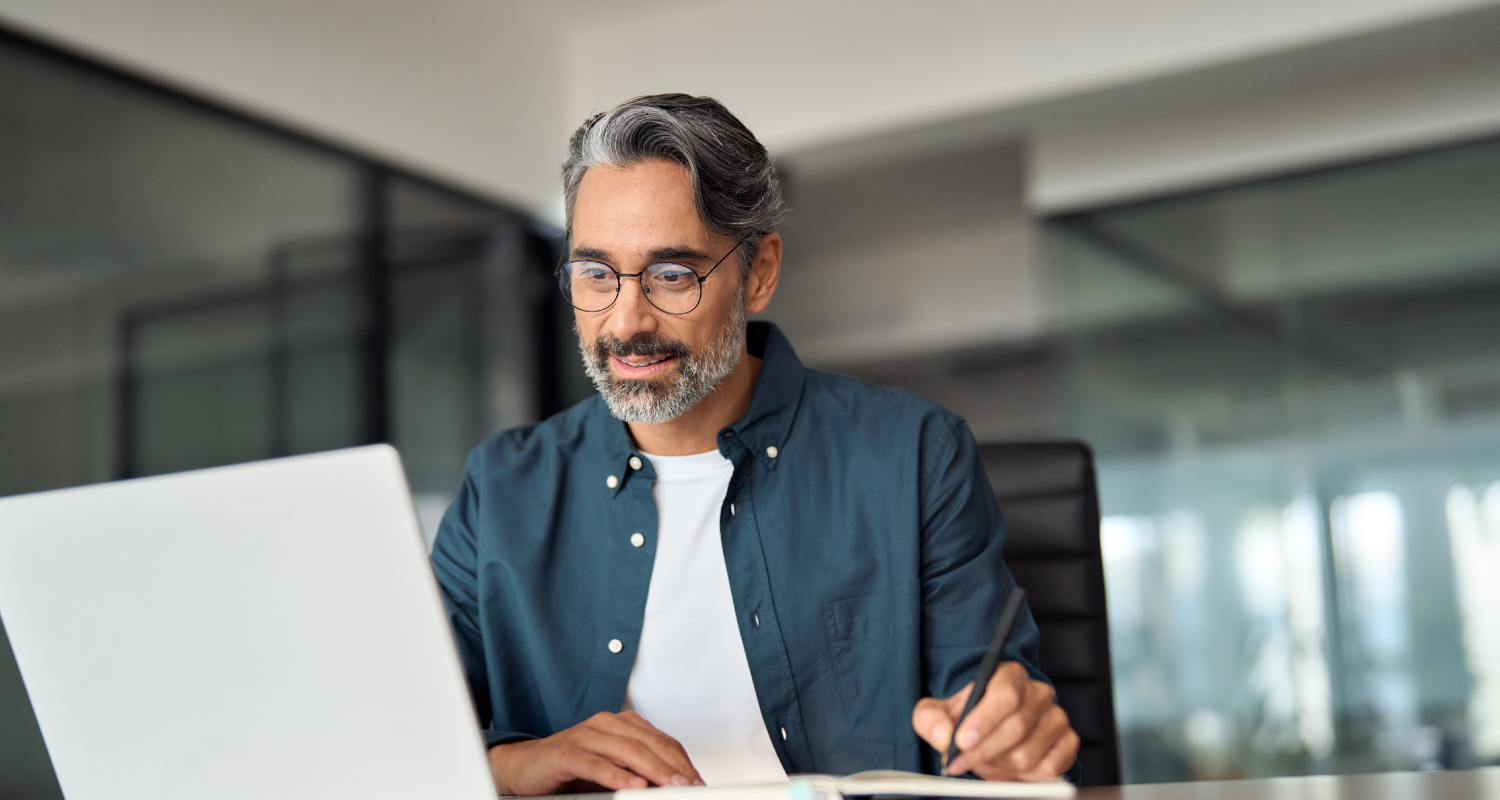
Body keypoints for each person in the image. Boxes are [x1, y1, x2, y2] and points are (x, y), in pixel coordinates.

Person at [430, 93, 1081, 795]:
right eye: (595, 273)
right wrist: (514, 764)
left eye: (672, 274)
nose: (626, 320)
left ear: (759, 273)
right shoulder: (500, 488)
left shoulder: (915, 456)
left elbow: (988, 716)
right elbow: (404, 738)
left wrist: (1008, 739)